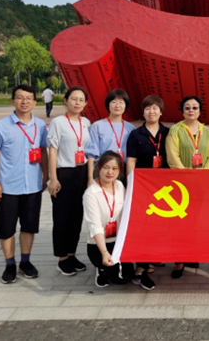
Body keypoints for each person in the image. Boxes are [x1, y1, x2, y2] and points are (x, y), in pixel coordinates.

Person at [0, 85, 48, 284]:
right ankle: (10, 264)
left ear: (35, 102)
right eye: (20, 98)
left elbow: (43, 151)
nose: (24, 101)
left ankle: (25, 261)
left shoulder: (40, 125)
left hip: (33, 186)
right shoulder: (2, 125)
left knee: (29, 226)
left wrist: (46, 175)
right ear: (13, 101)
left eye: (28, 98)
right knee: (7, 228)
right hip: (8, 187)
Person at [83, 151, 151, 289]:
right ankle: (101, 268)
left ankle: (140, 272)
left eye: (114, 168)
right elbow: (95, 226)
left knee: (147, 232)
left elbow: (130, 211)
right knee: (122, 279)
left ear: (120, 170)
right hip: (101, 244)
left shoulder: (119, 186)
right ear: (98, 167)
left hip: (120, 240)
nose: (110, 172)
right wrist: (104, 253)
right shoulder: (91, 194)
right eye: (106, 167)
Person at [165, 95, 209, 278]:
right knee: (179, 222)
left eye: (194, 107)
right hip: (181, 184)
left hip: (201, 183)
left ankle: (191, 254)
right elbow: (172, 157)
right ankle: (179, 260)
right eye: (187, 108)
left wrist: (203, 175)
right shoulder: (175, 130)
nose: (191, 110)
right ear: (182, 111)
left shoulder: (206, 131)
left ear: (199, 111)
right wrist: (186, 176)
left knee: (196, 220)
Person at [47, 86, 92, 276]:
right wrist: (53, 178)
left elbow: (89, 150)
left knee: (77, 217)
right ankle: (62, 258)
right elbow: (53, 150)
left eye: (81, 100)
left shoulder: (86, 123)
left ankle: (72, 254)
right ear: (66, 100)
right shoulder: (58, 122)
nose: (77, 103)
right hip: (64, 172)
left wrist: (90, 177)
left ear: (85, 103)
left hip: (82, 172)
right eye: (74, 99)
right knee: (62, 217)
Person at [126, 94, 170, 283]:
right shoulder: (136, 134)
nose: (151, 111)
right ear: (143, 113)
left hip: (165, 187)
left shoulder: (169, 133)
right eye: (147, 108)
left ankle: (156, 255)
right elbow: (131, 161)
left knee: (161, 222)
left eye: (155, 108)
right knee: (144, 223)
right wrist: (131, 184)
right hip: (144, 186)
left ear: (161, 112)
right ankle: (143, 261)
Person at [85, 89, 135, 186]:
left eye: (121, 102)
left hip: (123, 169)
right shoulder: (97, 126)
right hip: (103, 169)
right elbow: (92, 154)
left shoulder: (130, 128)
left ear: (126, 105)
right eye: (114, 102)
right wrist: (90, 177)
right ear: (108, 105)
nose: (117, 105)